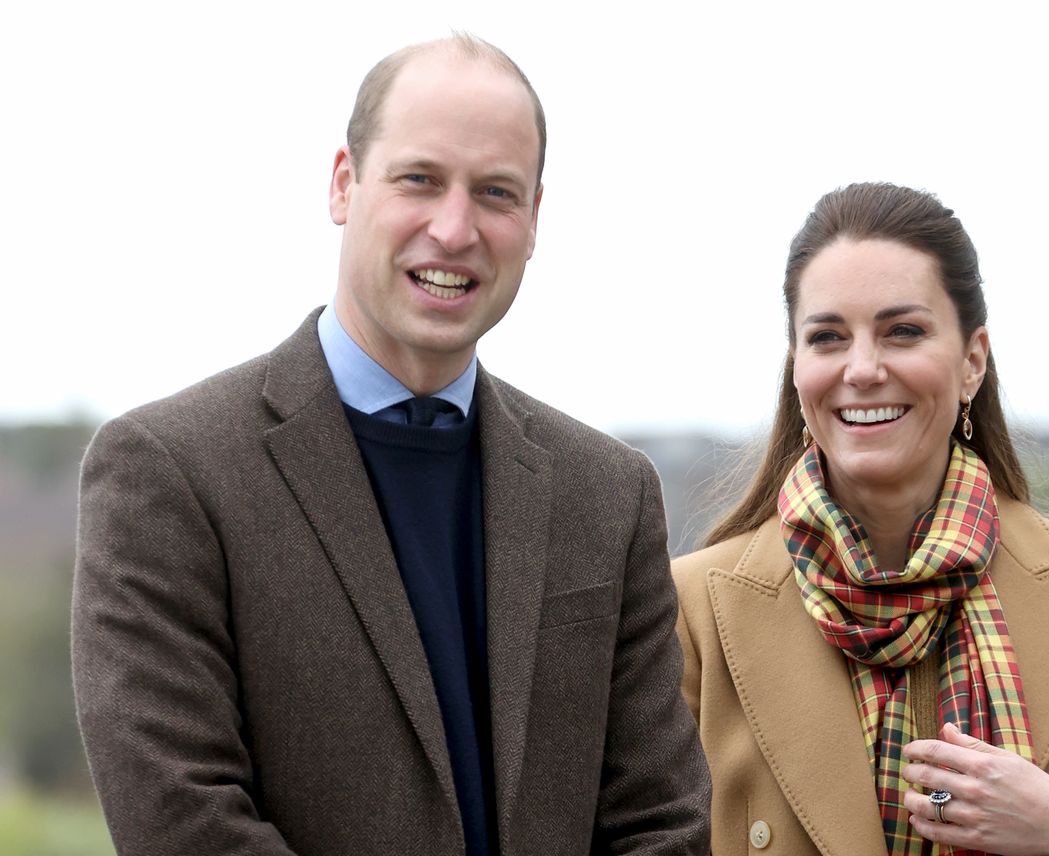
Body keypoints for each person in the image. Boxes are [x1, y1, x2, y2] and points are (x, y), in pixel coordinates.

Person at [72, 35, 709, 856]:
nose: (454, 228)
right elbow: (181, 821)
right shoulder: (168, 471)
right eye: (420, 180)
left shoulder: (609, 493)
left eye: (495, 192)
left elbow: (662, 822)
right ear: (344, 184)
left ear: (535, 219)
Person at [672, 182, 1049, 855]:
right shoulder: (696, 607)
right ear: (799, 368)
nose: (862, 369)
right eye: (828, 337)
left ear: (972, 360)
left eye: (903, 332)